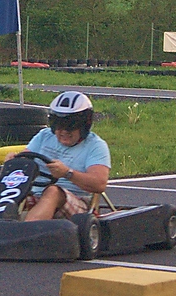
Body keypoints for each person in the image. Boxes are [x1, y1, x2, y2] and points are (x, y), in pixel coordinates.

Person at [22, 90, 111, 221]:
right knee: (3, 190)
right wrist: (13, 162)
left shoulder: (96, 146)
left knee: (53, 191)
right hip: (36, 193)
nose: (63, 131)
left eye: (70, 127)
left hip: (77, 203)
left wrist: (67, 173)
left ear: (83, 126)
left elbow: (99, 184)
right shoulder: (44, 136)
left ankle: (30, 230)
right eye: (58, 126)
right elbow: (24, 160)